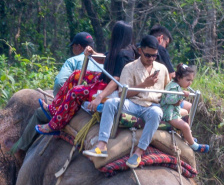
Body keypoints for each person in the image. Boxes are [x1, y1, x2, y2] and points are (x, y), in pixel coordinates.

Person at [88, 35, 170, 168]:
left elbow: (168, 89)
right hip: (132, 104)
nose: (151, 59)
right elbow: (122, 94)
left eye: (154, 56)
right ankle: (102, 145)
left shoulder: (162, 69)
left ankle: (139, 152)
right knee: (110, 103)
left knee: (156, 113)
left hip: (151, 106)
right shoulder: (129, 68)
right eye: (148, 55)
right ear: (140, 51)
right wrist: (144, 84)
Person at [161, 64, 208, 152]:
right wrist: (181, 95)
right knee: (185, 126)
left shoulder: (176, 85)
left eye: (191, 81)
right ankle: (194, 146)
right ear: (179, 78)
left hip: (173, 111)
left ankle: (188, 136)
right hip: (169, 114)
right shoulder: (173, 87)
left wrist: (180, 95)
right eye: (187, 80)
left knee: (186, 112)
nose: (189, 83)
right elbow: (169, 100)